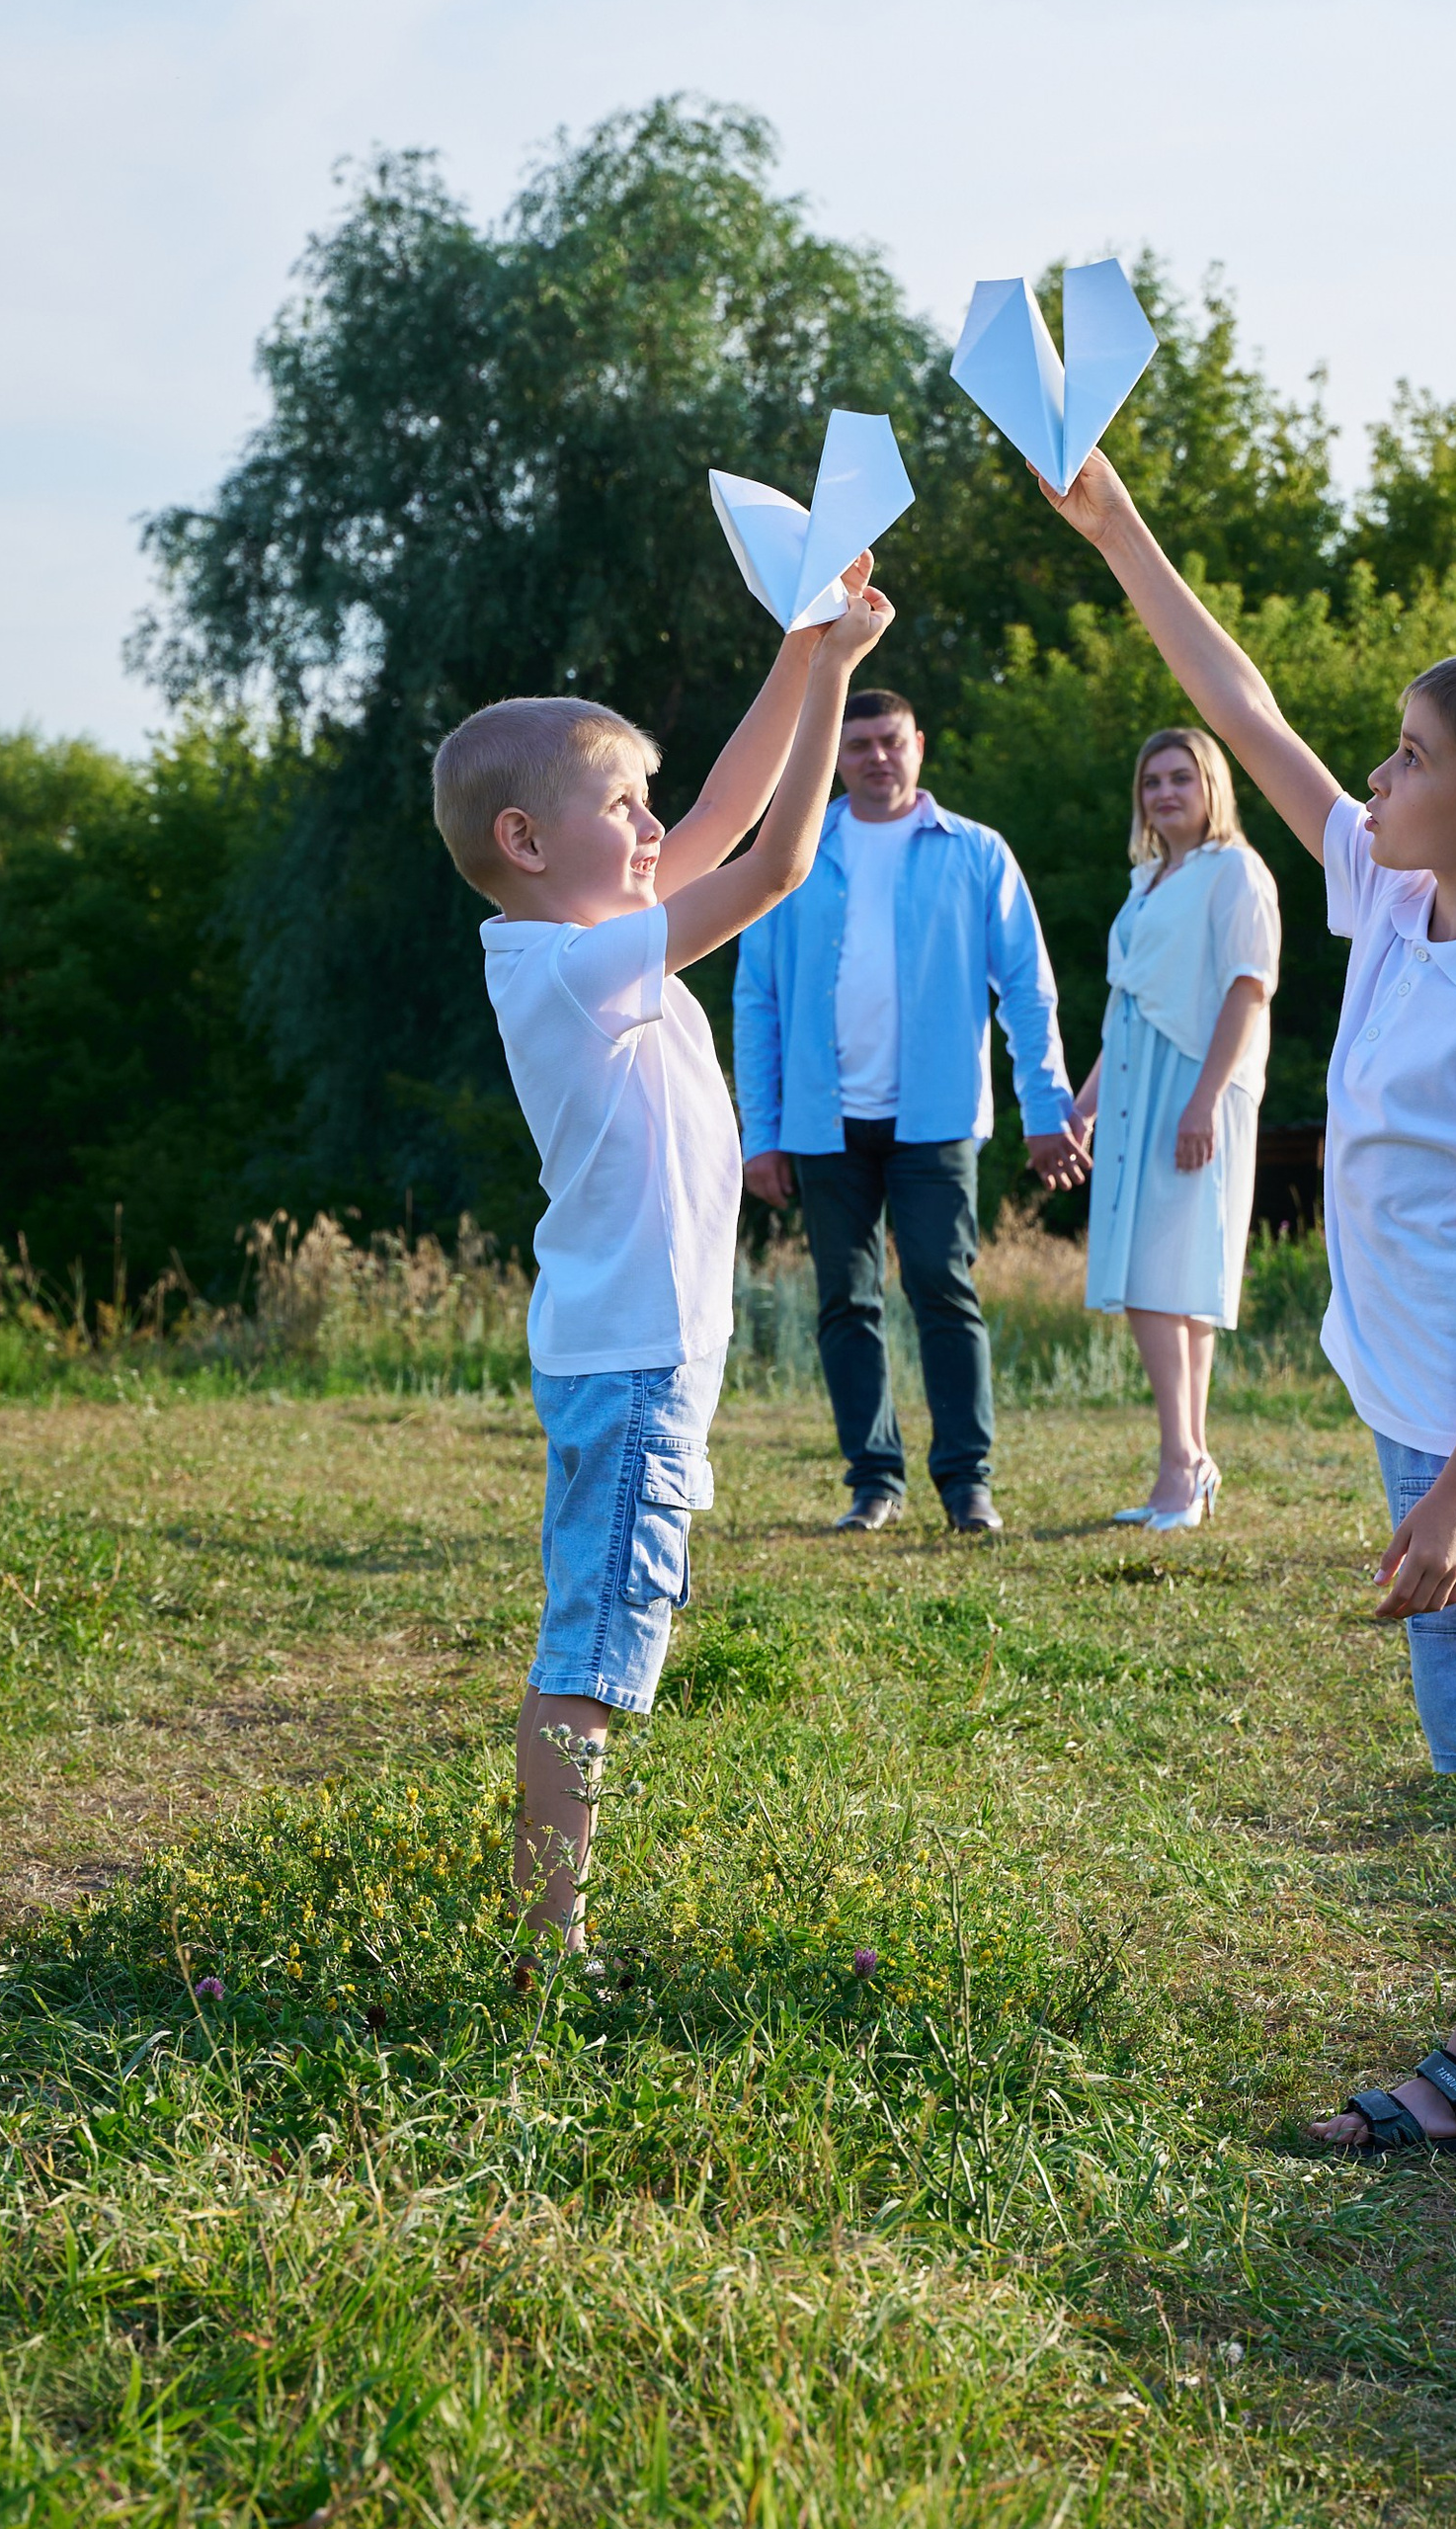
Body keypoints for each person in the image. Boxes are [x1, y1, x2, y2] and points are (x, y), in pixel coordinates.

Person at [1038, 449, 1456, 2157]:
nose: (1374, 776)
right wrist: (1121, 524)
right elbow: (1244, 707)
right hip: (1419, 1400)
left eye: (1411, 758)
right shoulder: (1400, 898)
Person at [431, 561, 894, 1951]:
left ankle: (547, 1917)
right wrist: (845, 687)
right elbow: (777, 859)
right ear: (524, 838)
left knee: (600, 1638)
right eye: (619, 805)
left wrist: (809, 651)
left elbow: (717, 817)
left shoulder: (589, 940)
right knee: (589, 1657)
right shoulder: (572, 966)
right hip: (630, 1362)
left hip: (628, 1354)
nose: (651, 825)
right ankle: (546, 1935)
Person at [735, 687, 1089, 1535]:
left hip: (937, 1120)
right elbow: (757, 1001)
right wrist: (762, 1131)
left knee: (943, 1287)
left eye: (890, 741)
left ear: (919, 746)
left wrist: (1047, 1109)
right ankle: (873, 1482)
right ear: (836, 755)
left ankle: (968, 1483)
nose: (875, 758)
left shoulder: (976, 853)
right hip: (823, 1124)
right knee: (845, 1302)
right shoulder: (793, 853)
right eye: (857, 745)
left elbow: (1030, 994)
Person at [1074, 727, 1281, 1528]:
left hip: (1194, 1084)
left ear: (1211, 786)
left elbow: (1247, 990)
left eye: (1180, 778)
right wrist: (1082, 1109)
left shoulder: (1236, 873)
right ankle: (1190, 1460)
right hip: (1133, 1082)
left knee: (1162, 1280)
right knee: (1168, 1281)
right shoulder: (1147, 880)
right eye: (1152, 781)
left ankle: (1180, 1465)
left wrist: (1204, 1101)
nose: (1164, 793)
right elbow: (1124, 1007)